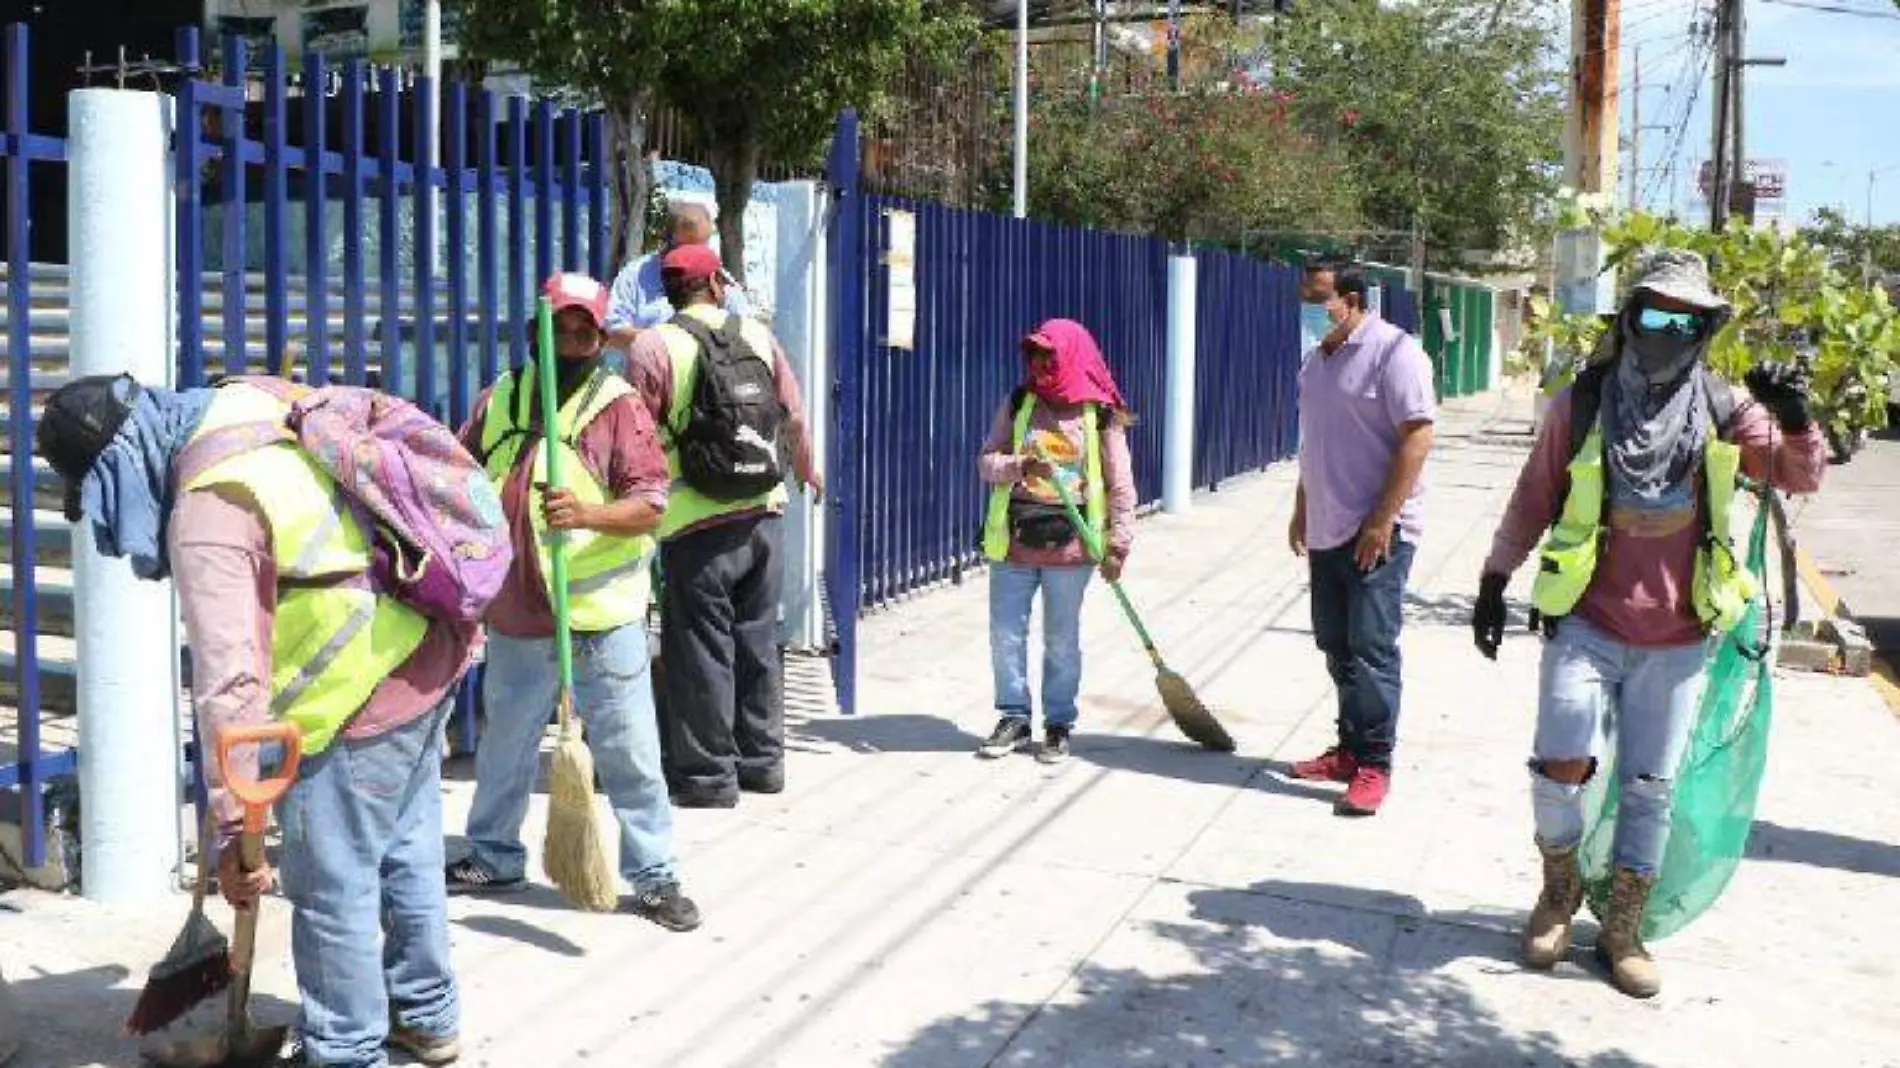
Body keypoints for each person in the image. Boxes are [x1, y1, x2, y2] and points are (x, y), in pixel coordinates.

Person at [37, 374, 477, 1068]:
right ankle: (426, 1016)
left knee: (331, 887)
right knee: (406, 850)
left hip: (352, 689)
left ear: (115, 466)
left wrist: (238, 825)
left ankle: (345, 1049)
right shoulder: (245, 403)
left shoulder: (208, 504)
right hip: (428, 644)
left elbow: (230, 681)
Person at [1471, 249, 1825, 999]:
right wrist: (1495, 577)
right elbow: (1535, 497)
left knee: (1650, 786)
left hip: (1678, 639)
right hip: (1588, 623)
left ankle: (1623, 928)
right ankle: (1559, 893)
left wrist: (1793, 417)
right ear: (1629, 319)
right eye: (1655, 314)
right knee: (1561, 761)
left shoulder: (1728, 408)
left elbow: (1799, 474)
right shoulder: (1585, 402)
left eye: (1685, 319)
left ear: (1704, 328)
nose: (1668, 330)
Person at [445, 272, 700, 932]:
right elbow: (460, 475)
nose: (576, 337)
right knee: (505, 743)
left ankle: (652, 874)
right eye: (564, 325)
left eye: (587, 328)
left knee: (629, 751)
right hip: (519, 610)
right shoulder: (502, 397)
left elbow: (651, 505)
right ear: (539, 331)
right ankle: (493, 855)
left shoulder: (618, 404)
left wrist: (585, 512)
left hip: (599, 614)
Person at [624, 244, 822, 808]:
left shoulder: (652, 346)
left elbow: (639, 435)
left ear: (669, 292)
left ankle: (709, 776)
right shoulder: (758, 334)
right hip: (764, 511)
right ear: (714, 285)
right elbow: (794, 412)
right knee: (758, 637)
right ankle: (763, 762)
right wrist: (808, 470)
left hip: (693, 523)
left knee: (701, 649)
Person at [1284, 258, 1437, 817]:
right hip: (1327, 525)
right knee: (1336, 643)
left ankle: (1375, 762)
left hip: (1380, 532)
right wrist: (1303, 507)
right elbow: (1313, 441)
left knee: (1371, 649)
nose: (1309, 306)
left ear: (1352, 299)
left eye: (1319, 296)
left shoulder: (1396, 354)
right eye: (1305, 294)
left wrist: (1381, 521)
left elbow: (1418, 437)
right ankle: (1348, 749)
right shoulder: (1313, 362)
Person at [974, 320, 1139, 764]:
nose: (1041, 364)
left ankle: (1058, 723)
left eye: (1050, 355)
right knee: (1005, 634)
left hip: (1072, 548)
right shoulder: (1019, 401)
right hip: (1014, 541)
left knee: (1061, 639)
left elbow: (1121, 485)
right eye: (1035, 354)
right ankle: (1013, 716)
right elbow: (987, 461)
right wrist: (1019, 466)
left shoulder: (1098, 413)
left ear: (1072, 356)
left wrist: (1119, 544)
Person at [605, 201, 753, 352]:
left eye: (700, 248)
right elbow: (612, 332)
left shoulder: (718, 278)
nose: (692, 256)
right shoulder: (635, 275)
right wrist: (666, 343)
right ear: (666, 239)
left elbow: (747, 333)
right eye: (685, 248)